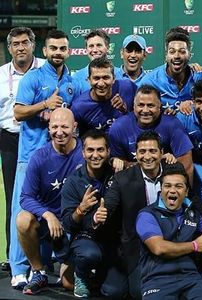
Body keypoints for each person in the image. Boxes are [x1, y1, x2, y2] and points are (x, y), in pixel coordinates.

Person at [10, 29, 78, 289]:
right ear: (45, 51)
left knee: (56, 212)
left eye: (63, 48)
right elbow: (17, 112)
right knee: (24, 211)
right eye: (53, 48)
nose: (58, 53)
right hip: (31, 156)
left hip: (61, 157)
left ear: (68, 51)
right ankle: (19, 269)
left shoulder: (73, 81)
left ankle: (45, 266)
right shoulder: (33, 78)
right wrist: (44, 105)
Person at [16, 108, 84, 295]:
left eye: (64, 126)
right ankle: (39, 272)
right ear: (48, 127)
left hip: (76, 223)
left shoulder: (86, 153)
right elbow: (25, 197)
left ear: (75, 127)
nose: (59, 132)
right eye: (54, 126)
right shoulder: (40, 156)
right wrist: (48, 215)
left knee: (69, 284)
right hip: (48, 223)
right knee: (23, 219)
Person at [100, 131, 170, 299]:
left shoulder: (173, 173)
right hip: (136, 246)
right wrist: (101, 213)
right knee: (120, 292)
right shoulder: (123, 178)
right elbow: (109, 203)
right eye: (142, 152)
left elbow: (193, 200)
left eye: (152, 151)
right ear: (136, 154)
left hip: (168, 241)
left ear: (162, 153)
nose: (147, 156)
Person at [136, 163, 202, 300]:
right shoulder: (147, 215)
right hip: (157, 279)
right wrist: (195, 246)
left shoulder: (193, 214)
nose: (172, 190)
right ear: (161, 189)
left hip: (191, 278)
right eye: (167, 186)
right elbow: (159, 248)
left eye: (178, 186)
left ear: (186, 191)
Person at [0, 26, 45, 271]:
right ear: (9, 49)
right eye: (15, 44)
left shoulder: (46, 68)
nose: (20, 47)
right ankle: (12, 256)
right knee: (14, 198)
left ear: (33, 45)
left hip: (41, 138)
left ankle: (46, 254)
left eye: (24, 42)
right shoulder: (0, 75)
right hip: (10, 139)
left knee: (45, 195)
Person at [60, 129, 117, 298]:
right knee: (89, 254)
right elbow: (68, 225)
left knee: (113, 291)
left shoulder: (118, 175)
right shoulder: (73, 181)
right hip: (85, 238)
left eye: (100, 150)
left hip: (113, 239)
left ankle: (98, 273)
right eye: (90, 150)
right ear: (83, 152)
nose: (95, 155)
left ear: (108, 152)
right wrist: (81, 209)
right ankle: (80, 274)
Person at [108, 84, 194, 181]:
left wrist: (186, 194)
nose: (145, 110)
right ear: (133, 106)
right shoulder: (118, 127)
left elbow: (186, 164)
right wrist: (157, 162)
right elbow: (118, 163)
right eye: (141, 105)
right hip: (133, 181)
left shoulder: (173, 124)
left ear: (159, 106)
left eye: (150, 105)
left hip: (166, 182)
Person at [140, 32, 202, 111]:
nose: (177, 56)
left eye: (182, 52)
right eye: (172, 52)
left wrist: (193, 104)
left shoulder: (200, 78)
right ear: (166, 55)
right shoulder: (150, 81)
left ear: (189, 55)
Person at [71, 56, 136, 135]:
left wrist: (125, 111)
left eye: (106, 78)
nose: (101, 84)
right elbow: (76, 138)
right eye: (96, 78)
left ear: (114, 79)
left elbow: (143, 118)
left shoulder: (128, 88)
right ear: (89, 80)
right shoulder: (79, 107)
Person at [71, 29, 121, 95]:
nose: (95, 50)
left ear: (108, 47)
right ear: (86, 49)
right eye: (91, 46)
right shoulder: (77, 78)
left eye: (99, 45)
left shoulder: (120, 74)